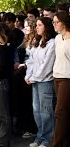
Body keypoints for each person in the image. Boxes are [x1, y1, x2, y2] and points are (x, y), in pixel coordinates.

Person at [25, 17, 56, 147]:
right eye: (36, 25)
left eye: (39, 25)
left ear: (47, 27)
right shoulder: (38, 42)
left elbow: (46, 65)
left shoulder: (52, 43)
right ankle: (40, 136)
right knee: (36, 111)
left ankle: (48, 139)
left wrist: (34, 77)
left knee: (46, 111)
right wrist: (28, 75)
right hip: (35, 81)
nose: (36, 27)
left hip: (45, 82)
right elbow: (31, 61)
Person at [50, 12, 70, 147]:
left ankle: (54, 144)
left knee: (60, 112)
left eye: (57, 22)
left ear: (64, 22)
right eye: (53, 22)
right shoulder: (57, 38)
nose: (54, 24)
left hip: (67, 79)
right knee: (64, 113)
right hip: (56, 77)